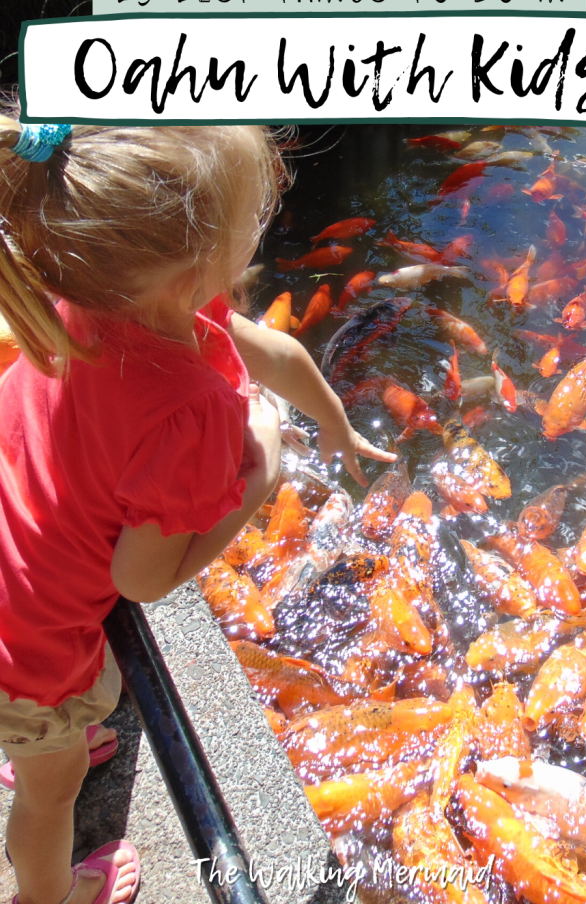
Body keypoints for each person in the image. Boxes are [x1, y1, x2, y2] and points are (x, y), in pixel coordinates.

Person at [0, 119, 396, 904]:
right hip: (24, 640)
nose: (262, 226)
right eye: (250, 220)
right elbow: (141, 579)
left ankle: (40, 734)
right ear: (190, 271)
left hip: (16, 548)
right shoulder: (187, 411)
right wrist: (262, 472)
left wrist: (335, 422)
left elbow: (275, 354)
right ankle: (47, 893)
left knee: (56, 736)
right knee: (52, 792)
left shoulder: (86, 290)